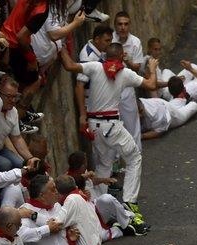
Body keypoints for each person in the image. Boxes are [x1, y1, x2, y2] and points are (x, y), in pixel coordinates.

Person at [58, 43, 158, 217]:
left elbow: (69, 65)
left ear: (105, 56)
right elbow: (151, 85)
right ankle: (129, 202)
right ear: (121, 56)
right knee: (134, 158)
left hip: (94, 125)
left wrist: (59, 46)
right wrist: (152, 68)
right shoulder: (125, 73)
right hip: (112, 125)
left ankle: (100, 208)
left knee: (104, 165)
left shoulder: (95, 67)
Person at [0, 77, 35, 172]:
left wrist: (30, 158)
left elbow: (17, 138)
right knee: (5, 164)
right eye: (9, 96)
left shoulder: (13, 112)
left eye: (15, 96)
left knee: (20, 163)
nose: (13, 100)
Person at [75, 24, 112, 152]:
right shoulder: (88, 57)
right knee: (100, 144)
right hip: (92, 104)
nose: (109, 44)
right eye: (107, 41)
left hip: (101, 102)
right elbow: (79, 85)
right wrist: (82, 114)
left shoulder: (99, 52)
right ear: (97, 39)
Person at [111, 11, 144, 149]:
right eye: (119, 24)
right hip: (111, 87)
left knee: (132, 123)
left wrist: (127, 61)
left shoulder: (135, 42)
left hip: (127, 88)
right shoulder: (109, 40)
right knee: (114, 124)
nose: (122, 27)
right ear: (115, 25)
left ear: (129, 25)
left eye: (125, 24)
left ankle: (137, 153)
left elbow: (137, 68)